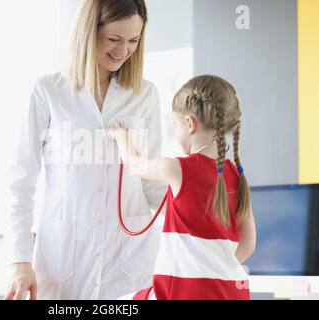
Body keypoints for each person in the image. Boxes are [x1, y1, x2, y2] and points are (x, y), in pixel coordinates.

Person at [4, 0, 167, 300]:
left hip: (130, 266)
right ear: (89, 32)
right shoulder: (48, 92)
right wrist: (20, 261)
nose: (123, 51)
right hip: (62, 263)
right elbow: (21, 183)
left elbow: (155, 186)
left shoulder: (146, 95)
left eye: (133, 41)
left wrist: (197, 239)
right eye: (114, 39)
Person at [109, 75, 256, 300]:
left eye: (174, 124)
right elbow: (248, 244)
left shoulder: (176, 168)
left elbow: (135, 164)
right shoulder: (237, 176)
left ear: (189, 124)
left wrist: (121, 136)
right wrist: (212, 271)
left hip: (182, 292)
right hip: (228, 293)